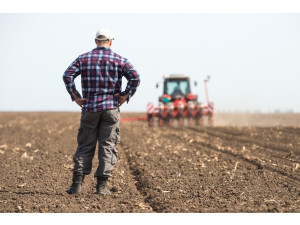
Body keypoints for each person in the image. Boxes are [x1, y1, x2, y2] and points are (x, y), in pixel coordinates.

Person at [62, 28, 140, 195]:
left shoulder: (83, 58)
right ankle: (101, 187)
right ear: (111, 42)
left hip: (89, 108)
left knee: (85, 145)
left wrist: (76, 97)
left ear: (95, 41)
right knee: (108, 146)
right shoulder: (120, 60)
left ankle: (76, 186)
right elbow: (135, 77)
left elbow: (67, 75)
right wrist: (125, 95)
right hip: (110, 109)